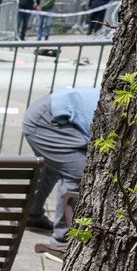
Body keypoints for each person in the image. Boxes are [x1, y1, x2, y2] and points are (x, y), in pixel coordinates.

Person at [22, 87, 98, 251]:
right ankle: (62, 240)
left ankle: (31, 216)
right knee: (77, 173)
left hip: (51, 114)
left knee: (53, 169)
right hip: (47, 120)